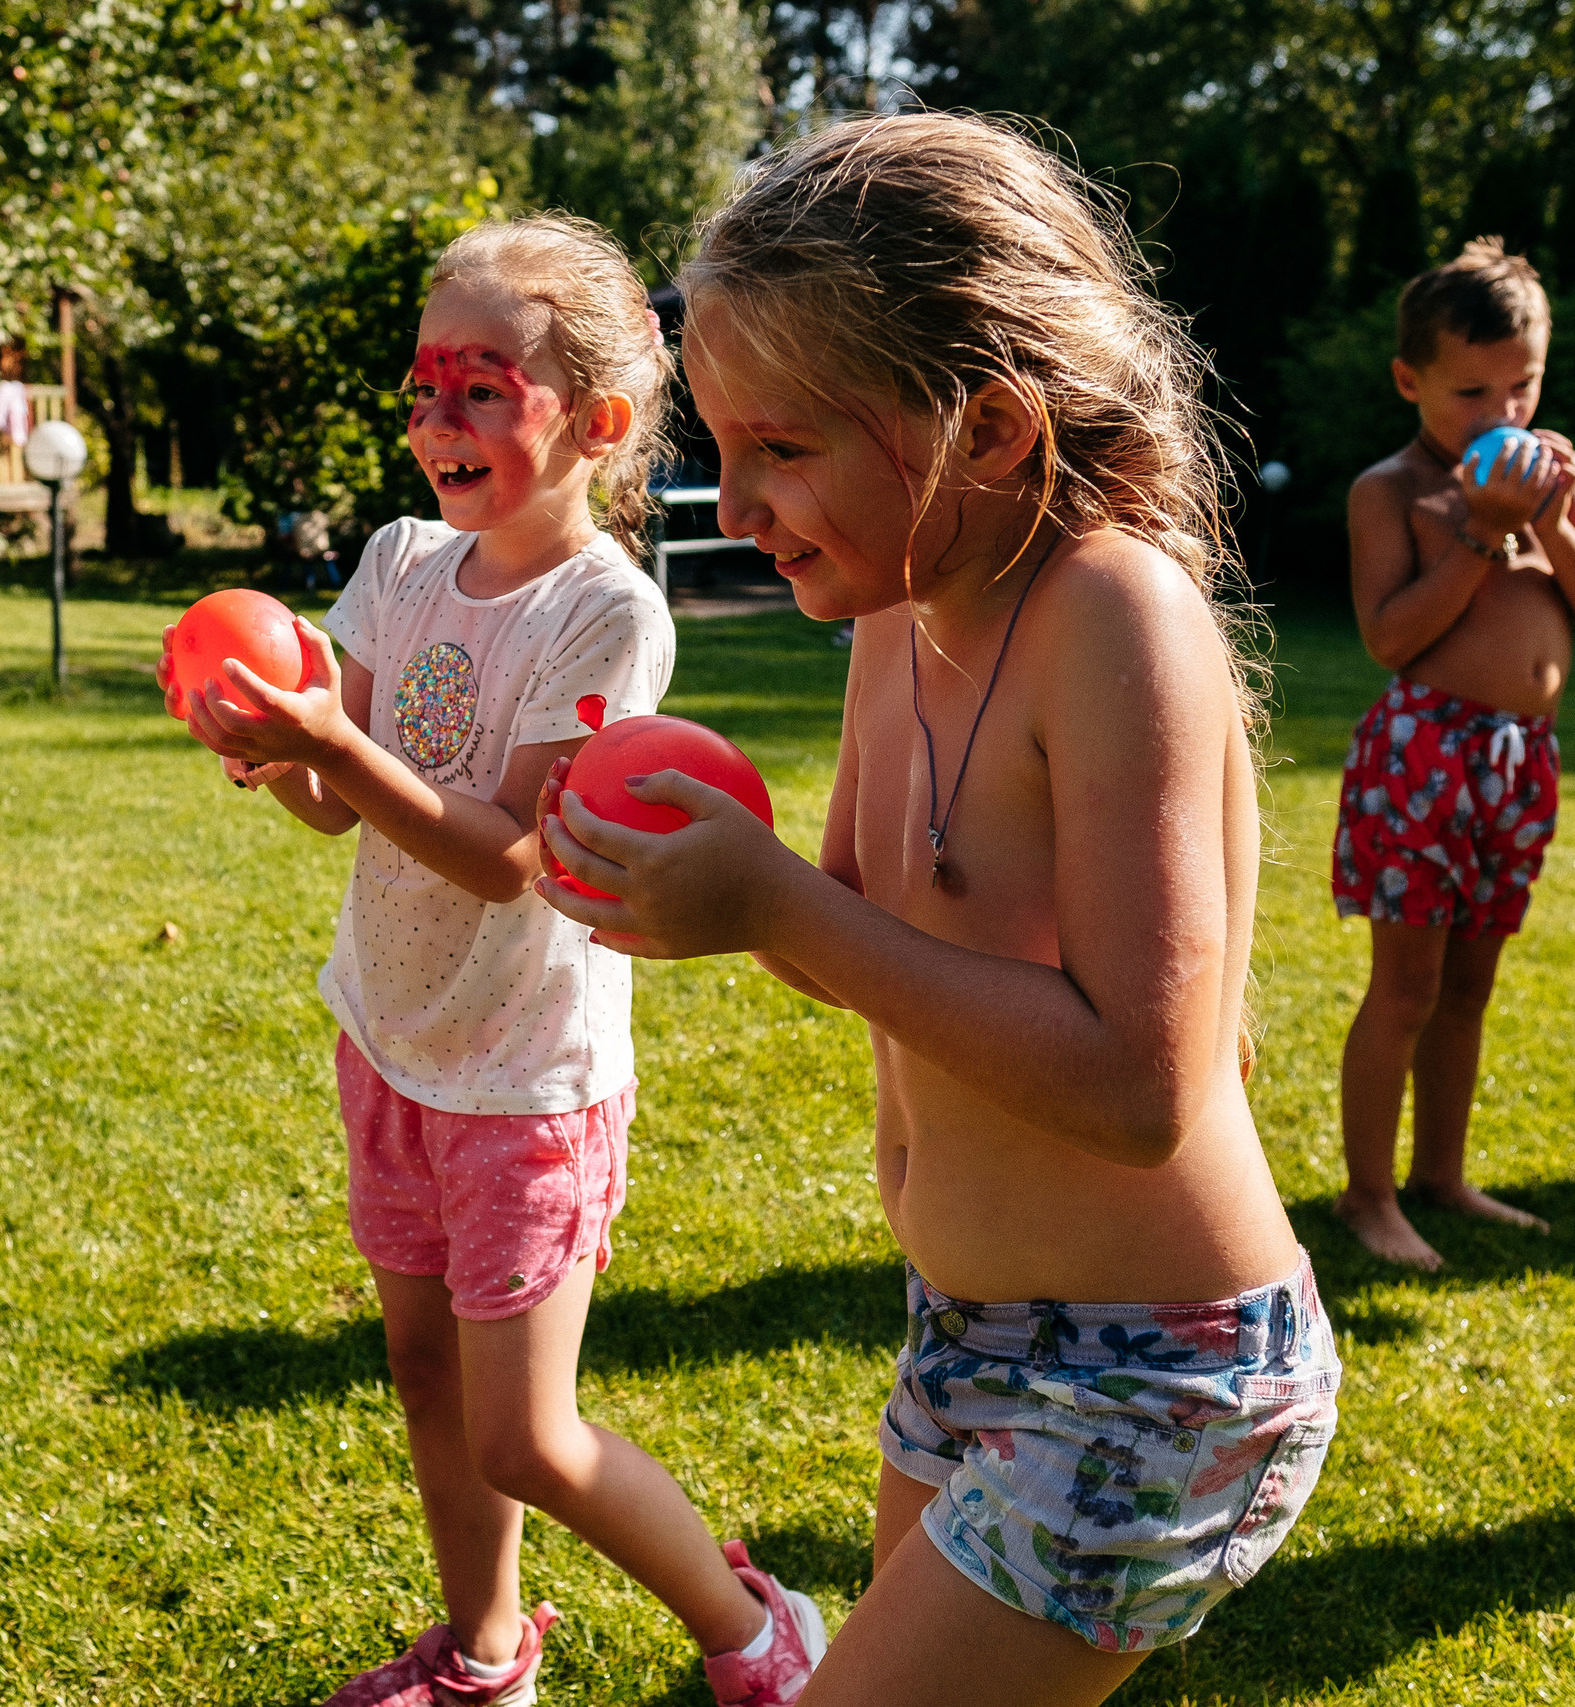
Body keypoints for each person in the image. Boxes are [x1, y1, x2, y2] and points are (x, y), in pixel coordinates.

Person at [534, 115, 1340, 1704]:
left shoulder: (1116, 616)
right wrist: (684, 854)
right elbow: (867, 930)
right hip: (967, 1329)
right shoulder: (900, 615)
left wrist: (772, 906)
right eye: (723, 446)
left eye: (784, 446)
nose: (737, 497)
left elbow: (1141, 1086)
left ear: (985, 431)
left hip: (1154, 1374)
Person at [161, 214, 830, 1707]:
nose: (436, 424)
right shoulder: (400, 564)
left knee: (525, 1427)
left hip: (528, 1073)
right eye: (422, 390)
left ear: (595, 423)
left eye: (479, 388)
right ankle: (484, 1654)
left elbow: (516, 854)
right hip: (392, 1038)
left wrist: (332, 735)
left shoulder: (606, 612)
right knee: (421, 1370)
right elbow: (344, 807)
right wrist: (277, 753)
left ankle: (752, 1624)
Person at [1328, 239, 1575, 1271]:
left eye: (1523, 385)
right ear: (1409, 381)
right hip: (1422, 756)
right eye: (1470, 391)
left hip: (1519, 763)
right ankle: (1367, 1196)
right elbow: (1390, 638)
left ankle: (1441, 1176)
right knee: (1406, 987)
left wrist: (1547, 517)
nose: (1501, 413)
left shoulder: (1557, 473)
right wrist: (1478, 531)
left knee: (1469, 987)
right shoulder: (1392, 490)